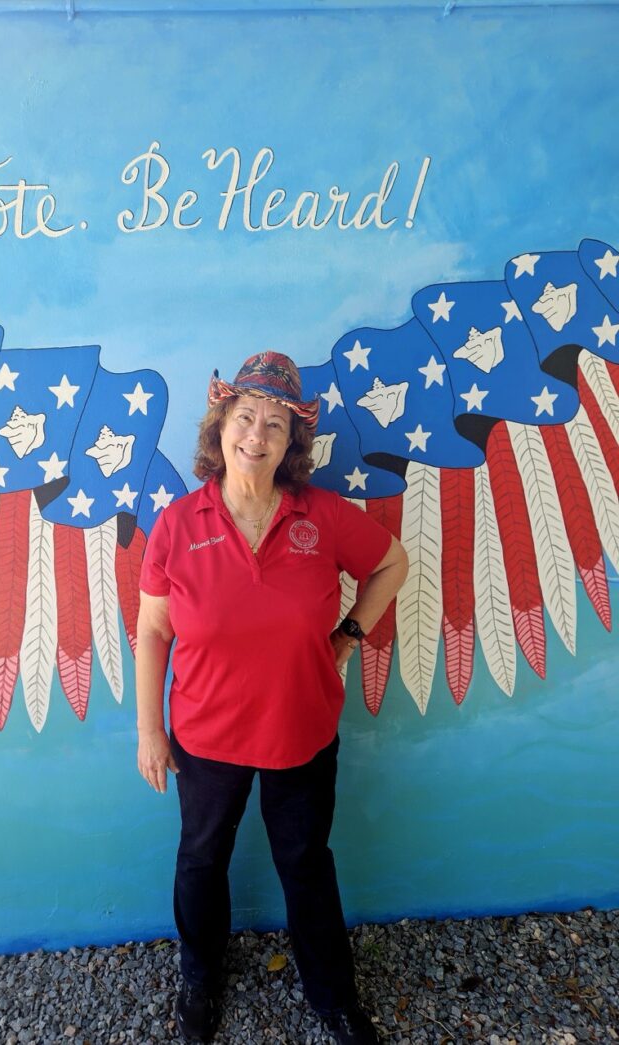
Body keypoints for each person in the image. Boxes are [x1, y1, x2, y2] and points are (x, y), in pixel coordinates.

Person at [136, 351, 409, 1044]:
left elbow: (392, 563)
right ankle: (199, 979)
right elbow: (153, 630)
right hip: (204, 733)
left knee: (306, 862)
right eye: (246, 417)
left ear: (292, 445)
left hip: (301, 727)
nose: (256, 435)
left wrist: (349, 633)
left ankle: (332, 993)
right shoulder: (177, 522)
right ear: (221, 424)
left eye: (276, 425)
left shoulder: (321, 514)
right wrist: (149, 731)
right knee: (201, 860)